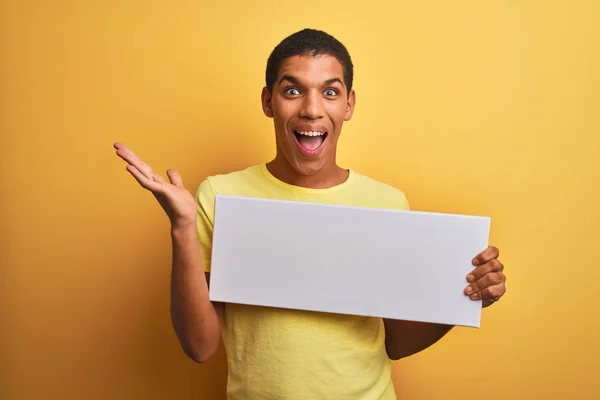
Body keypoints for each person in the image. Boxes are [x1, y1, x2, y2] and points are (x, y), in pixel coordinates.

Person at [114, 28, 507, 399]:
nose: (312, 109)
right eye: (293, 90)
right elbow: (199, 346)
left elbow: (396, 343)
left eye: (330, 92)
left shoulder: (387, 203)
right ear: (268, 101)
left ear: (349, 104)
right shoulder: (221, 196)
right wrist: (182, 227)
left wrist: (464, 297)